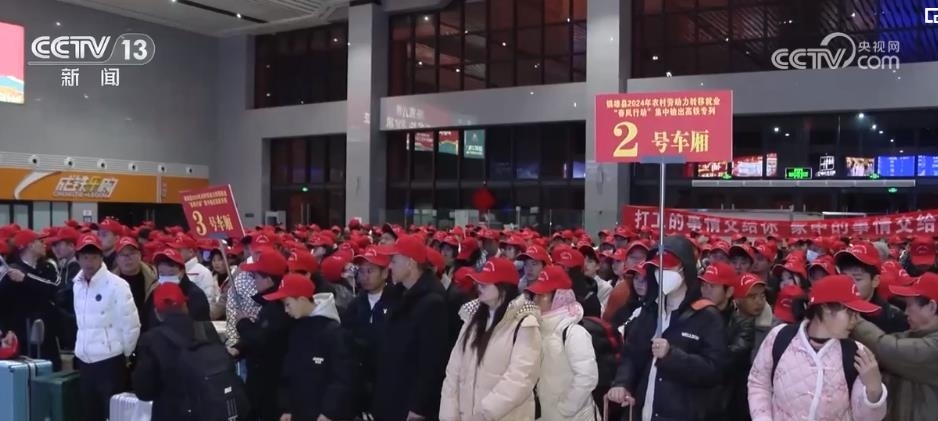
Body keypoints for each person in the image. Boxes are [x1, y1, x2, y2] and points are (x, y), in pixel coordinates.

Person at [606, 236, 729, 421]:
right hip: (643, 412)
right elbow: (631, 354)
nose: (661, 274)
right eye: (657, 268)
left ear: (685, 269)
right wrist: (622, 383)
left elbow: (715, 371)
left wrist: (672, 356)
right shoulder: (650, 310)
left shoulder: (706, 316)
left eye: (668, 268)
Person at [747, 274, 888, 421]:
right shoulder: (780, 337)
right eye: (850, 313)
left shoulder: (857, 353)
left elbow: (865, 418)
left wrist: (874, 391)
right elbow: (759, 383)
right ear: (826, 308)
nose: (855, 321)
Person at [440, 257, 542, 421]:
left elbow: (520, 378)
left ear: (504, 287)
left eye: (485, 283)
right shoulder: (472, 319)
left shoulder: (524, 324)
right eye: (479, 282)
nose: (479, 286)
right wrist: (449, 415)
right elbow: (453, 371)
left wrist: (484, 414)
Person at [132, 283, 247, 421]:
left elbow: (144, 392)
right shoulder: (206, 329)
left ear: (157, 312)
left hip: (170, 413)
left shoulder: (151, 340)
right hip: (209, 411)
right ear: (185, 306)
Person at [372, 235, 449, 421]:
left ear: (410, 263)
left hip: (408, 403)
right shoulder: (397, 294)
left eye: (394, 261)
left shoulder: (432, 303)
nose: (390, 266)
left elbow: (432, 363)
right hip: (391, 395)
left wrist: (419, 407)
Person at [262, 274, 357, 421]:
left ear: (301, 300)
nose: (286, 310)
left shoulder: (334, 332)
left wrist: (329, 412)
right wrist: (287, 408)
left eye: (288, 304)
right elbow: (288, 372)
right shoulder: (297, 330)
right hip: (299, 412)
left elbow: (342, 377)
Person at [851, 272, 938, 420]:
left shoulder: (932, 346)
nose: (905, 312)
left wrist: (856, 321)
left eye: (910, 305)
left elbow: (889, 349)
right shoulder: (913, 334)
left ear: (931, 307)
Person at [72, 234, 141, 421]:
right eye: (85, 257)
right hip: (85, 360)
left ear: (101, 258)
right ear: (78, 259)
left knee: (112, 414)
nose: (89, 262)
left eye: (94, 257)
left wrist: (124, 353)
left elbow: (131, 324)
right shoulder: (77, 285)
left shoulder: (117, 285)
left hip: (110, 361)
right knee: (90, 413)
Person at [526, 264, 598, 421]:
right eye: (535, 295)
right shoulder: (539, 329)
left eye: (542, 296)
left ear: (559, 298)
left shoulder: (574, 333)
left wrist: (566, 409)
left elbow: (587, 377)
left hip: (574, 416)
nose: (536, 300)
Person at [229, 248, 293, 421]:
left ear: (269, 280)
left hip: (271, 385)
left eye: (256, 276)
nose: (253, 280)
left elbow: (262, 339)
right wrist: (239, 348)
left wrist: (243, 324)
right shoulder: (268, 305)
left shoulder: (278, 308)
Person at [698, 262, 753, 420]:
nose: (706, 290)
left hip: (727, 402)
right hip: (696, 398)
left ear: (729, 292)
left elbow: (727, 359)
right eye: (704, 285)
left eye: (713, 286)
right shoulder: (694, 315)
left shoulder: (743, 322)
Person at [0, 229, 61, 367]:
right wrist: (6, 329)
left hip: (48, 333)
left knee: (52, 369)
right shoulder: (11, 272)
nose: (44, 244)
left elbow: (55, 288)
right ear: (29, 245)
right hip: (20, 334)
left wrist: (26, 279)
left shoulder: (48, 266)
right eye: (40, 241)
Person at [346, 246, 395, 419]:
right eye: (361, 271)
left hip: (389, 383)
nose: (365, 276)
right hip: (360, 382)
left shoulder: (397, 302)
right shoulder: (355, 305)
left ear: (385, 273)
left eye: (370, 271)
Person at [835, 242, 909, 333]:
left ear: (875, 281)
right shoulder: (832, 310)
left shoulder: (893, 318)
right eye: (844, 277)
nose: (849, 283)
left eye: (857, 278)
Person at [142, 248, 211, 331]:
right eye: (162, 274)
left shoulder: (195, 295)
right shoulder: (155, 293)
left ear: (181, 272)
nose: (166, 278)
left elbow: (202, 329)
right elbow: (146, 322)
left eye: (171, 274)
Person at [169, 235, 221, 313]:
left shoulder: (203, 272)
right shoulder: (172, 271)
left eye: (179, 250)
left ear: (191, 252)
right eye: (174, 250)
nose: (175, 253)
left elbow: (209, 302)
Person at [49, 226, 81, 351]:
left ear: (71, 246)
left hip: (72, 319)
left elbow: (66, 293)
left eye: (60, 244)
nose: (56, 248)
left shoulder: (75, 266)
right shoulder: (65, 265)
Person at [112, 236, 157, 324]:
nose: (127, 258)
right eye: (123, 254)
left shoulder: (154, 278)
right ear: (117, 259)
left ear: (140, 255)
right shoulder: (109, 282)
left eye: (132, 253)